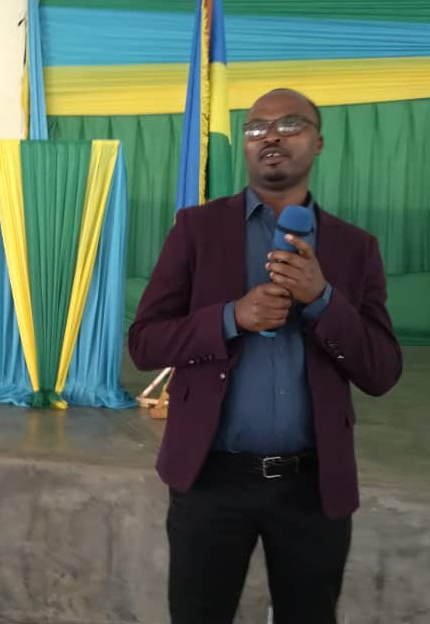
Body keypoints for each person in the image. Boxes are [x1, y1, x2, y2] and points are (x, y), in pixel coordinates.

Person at [128, 89, 403, 624]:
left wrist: (323, 300)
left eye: (290, 125)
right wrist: (232, 317)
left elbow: (382, 370)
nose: (270, 137)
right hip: (209, 480)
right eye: (256, 128)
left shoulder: (354, 247)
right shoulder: (196, 230)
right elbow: (144, 342)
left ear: (318, 143)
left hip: (312, 486)